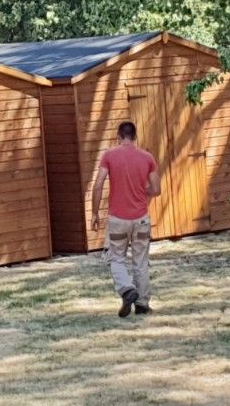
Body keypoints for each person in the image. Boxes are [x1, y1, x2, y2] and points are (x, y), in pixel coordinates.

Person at [91, 121, 161, 317]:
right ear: (135, 136)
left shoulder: (109, 156)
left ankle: (127, 289)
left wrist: (95, 213)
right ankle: (142, 304)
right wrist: (141, 191)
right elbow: (156, 189)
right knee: (141, 261)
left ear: (118, 136)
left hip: (118, 219)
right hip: (141, 218)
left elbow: (98, 186)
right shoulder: (147, 158)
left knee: (115, 258)